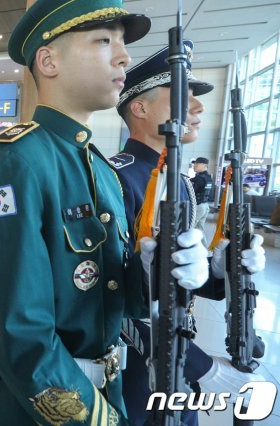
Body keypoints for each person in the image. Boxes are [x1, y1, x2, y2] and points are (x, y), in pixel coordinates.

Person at [0, 2, 209, 424]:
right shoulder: (16, 160)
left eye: (121, 42)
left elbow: (113, 295)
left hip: (108, 386)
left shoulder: (100, 168)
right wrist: (98, 419)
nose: (124, 56)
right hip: (46, 405)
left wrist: (161, 269)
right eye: (103, 40)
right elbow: (19, 333)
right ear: (49, 59)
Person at [111, 40, 266, 425]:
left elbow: (175, 276)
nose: (197, 107)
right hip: (138, 369)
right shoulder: (117, 178)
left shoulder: (174, 178)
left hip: (176, 351)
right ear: (140, 108)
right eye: (182, 96)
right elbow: (111, 299)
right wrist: (200, 367)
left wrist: (219, 274)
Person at [191, 156, 213, 245]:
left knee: (189, 228)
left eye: (197, 163)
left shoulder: (198, 178)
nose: (194, 165)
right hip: (205, 206)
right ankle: (205, 251)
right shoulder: (208, 178)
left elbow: (191, 192)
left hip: (198, 206)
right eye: (194, 163)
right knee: (200, 230)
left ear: (204, 165)